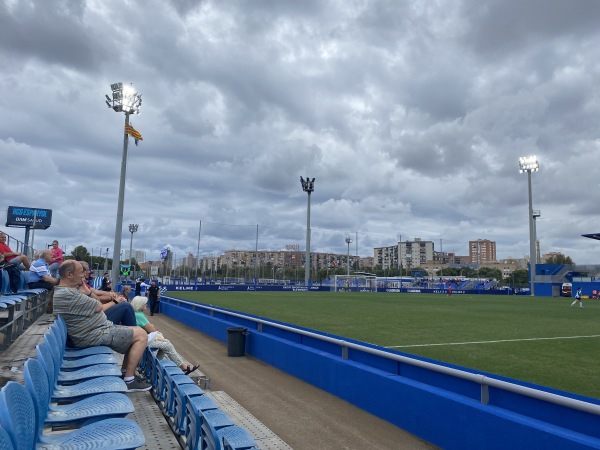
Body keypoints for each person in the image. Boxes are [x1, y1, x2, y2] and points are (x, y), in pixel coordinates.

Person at [53, 260, 156, 392]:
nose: (84, 277)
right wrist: (88, 292)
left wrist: (87, 291)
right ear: (69, 274)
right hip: (93, 334)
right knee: (141, 335)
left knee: (135, 331)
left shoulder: (65, 291)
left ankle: (126, 371)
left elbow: (96, 305)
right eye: (80, 273)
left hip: (92, 330)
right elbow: (98, 305)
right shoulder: (69, 294)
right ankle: (129, 380)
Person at [131, 295, 199, 375]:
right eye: (145, 304)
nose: (147, 305)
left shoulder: (137, 313)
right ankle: (183, 367)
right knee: (167, 345)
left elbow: (150, 329)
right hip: (141, 341)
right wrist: (156, 332)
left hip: (140, 339)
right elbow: (153, 330)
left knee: (165, 344)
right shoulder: (139, 315)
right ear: (140, 305)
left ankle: (156, 366)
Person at [79, 261, 135, 326]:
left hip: (92, 320)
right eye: (87, 270)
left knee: (124, 305)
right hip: (93, 324)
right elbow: (99, 307)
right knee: (126, 306)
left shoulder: (82, 286)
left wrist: (110, 295)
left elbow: (96, 295)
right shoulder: (80, 288)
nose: (89, 272)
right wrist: (115, 301)